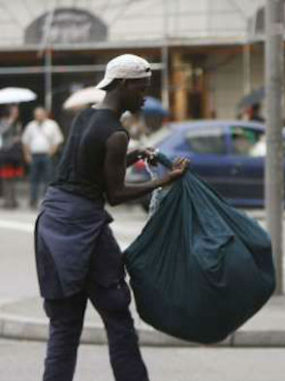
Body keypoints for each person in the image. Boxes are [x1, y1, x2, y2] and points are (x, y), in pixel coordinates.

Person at [35, 54, 189, 381]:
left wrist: (134, 155)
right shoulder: (117, 134)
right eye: (141, 88)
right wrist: (164, 180)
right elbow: (115, 195)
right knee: (118, 320)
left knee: (63, 326)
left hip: (52, 223)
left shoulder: (84, 118)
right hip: (85, 231)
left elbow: (86, 166)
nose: (144, 96)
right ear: (122, 84)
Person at [22, 106, 64, 208]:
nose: (39, 116)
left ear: (45, 114)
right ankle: (33, 200)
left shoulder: (52, 125)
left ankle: (47, 200)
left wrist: (51, 153)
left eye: (40, 114)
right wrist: (27, 154)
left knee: (48, 178)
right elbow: (25, 141)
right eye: (37, 115)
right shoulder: (31, 126)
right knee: (33, 179)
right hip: (34, 155)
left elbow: (58, 140)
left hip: (47, 155)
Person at [0, 104, 24, 209]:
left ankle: (13, 200)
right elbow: (2, 132)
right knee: (6, 177)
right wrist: (10, 121)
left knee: (14, 177)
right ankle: (7, 201)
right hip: (6, 153)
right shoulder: (4, 121)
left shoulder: (17, 123)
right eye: (14, 111)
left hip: (15, 153)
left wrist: (18, 138)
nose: (16, 113)